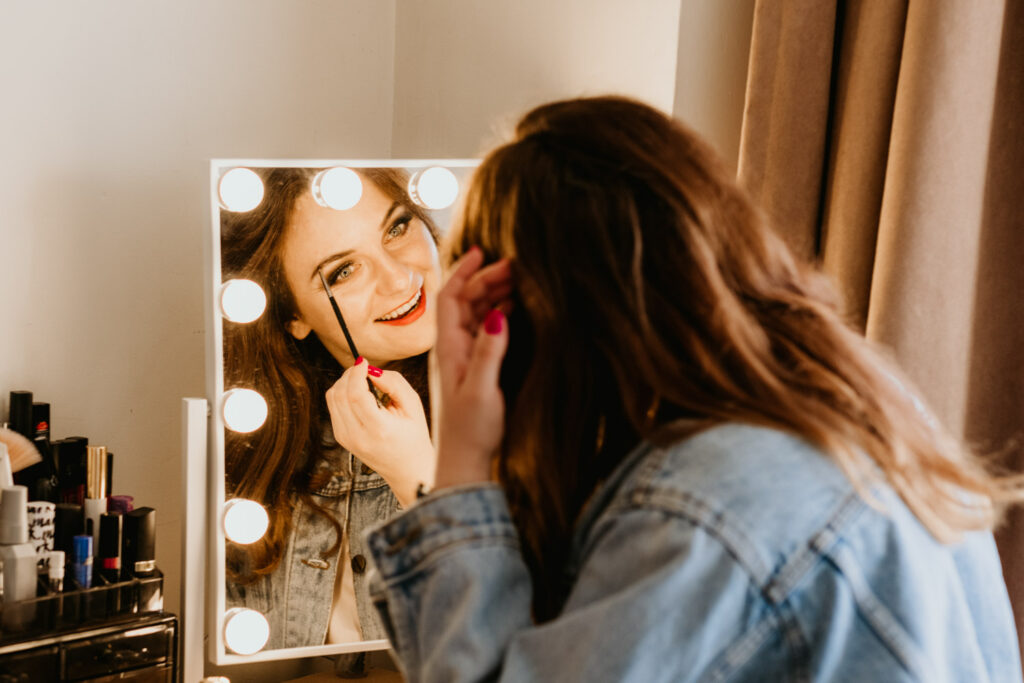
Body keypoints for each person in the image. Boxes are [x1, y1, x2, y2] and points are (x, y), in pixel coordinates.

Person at [364, 96, 1024, 681]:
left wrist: (460, 462)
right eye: (341, 271)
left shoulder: (697, 515)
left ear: (526, 325)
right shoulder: (865, 410)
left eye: (398, 226)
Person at [220, 166, 439, 649]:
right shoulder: (256, 450)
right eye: (344, 270)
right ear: (292, 315)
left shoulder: (538, 408)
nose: (399, 278)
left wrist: (418, 478)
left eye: (397, 228)